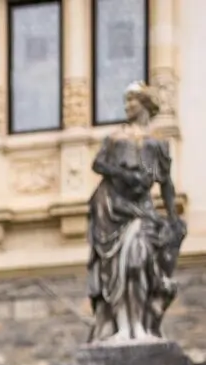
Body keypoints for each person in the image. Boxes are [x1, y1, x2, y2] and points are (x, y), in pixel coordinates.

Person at [87, 82, 185, 342]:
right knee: (114, 270)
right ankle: (121, 327)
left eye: (133, 101)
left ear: (145, 104)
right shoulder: (115, 138)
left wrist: (174, 218)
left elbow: (166, 184)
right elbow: (98, 164)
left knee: (137, 260)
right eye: (127, 101)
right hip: (110, 207)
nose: (128, 106)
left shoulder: (157, 145)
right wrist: (125, 175)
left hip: (140, 210)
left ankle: (138, 326)